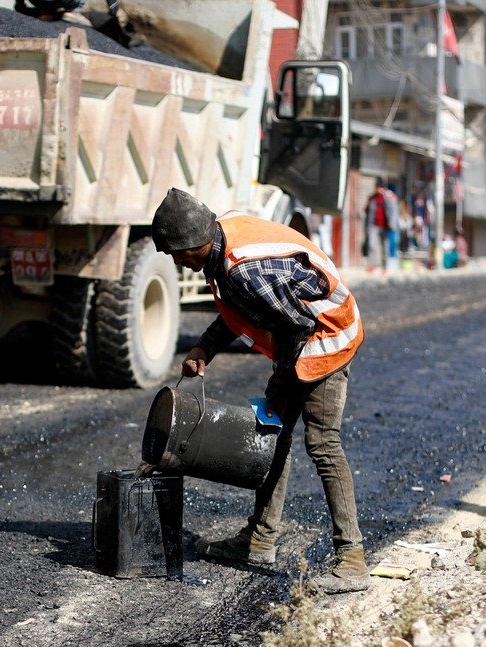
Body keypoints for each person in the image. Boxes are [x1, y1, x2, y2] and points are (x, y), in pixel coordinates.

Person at [151, 188, 369, 594]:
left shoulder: (242, 270)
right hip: (301, 332)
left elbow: (298, 326)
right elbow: (242, 311)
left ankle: (352, 560)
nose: (178, 262)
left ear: (198, 242)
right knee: (275, 436)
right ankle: (259, 539)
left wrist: (282, 384)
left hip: (326, 336)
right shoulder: (221, 237)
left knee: (322, 444)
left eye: (178, 254)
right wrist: (205, 347)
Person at [365, 183, 390, 271]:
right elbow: (366, 211)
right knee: (372, 246)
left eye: (380, 188)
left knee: (385, 247)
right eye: (377, 188)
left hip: (384, 226)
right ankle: (371, 265)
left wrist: (392, 223)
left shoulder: (387, 199)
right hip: (373, 226)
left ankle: (385, 267)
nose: (378, 190)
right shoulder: (372, 199)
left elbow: (393, 210)